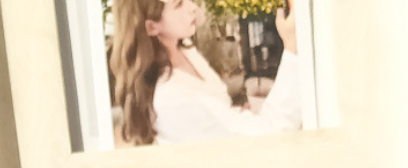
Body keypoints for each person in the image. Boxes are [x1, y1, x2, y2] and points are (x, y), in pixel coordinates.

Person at [110, 0, 301, 145]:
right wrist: (292, 47)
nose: (192, 7)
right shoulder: (171, 97)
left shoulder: (185, 50)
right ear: (151, 26)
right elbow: (269, 135)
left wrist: (230, 116)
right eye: (178, 4)